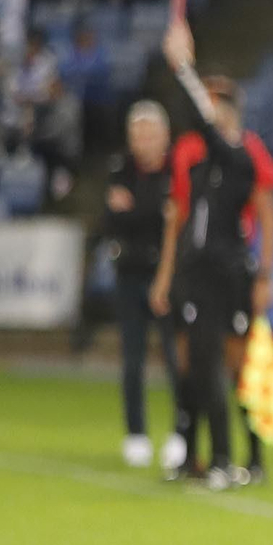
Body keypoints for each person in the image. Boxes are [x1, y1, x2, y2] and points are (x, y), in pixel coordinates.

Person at [152, 20, 273, 490]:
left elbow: (204, 126)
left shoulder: (241, 159)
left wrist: (183, 67)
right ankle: (201, 456)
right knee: (196, 364)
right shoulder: (200, 163)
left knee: (227, 364)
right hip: (197, 272)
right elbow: (181, 218)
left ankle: (235, 457)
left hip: (226, 273)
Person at [106, 99, 179, 469]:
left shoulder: (177, 171)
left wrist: (135, 211)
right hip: (129, 274)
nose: (143, 141)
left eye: (150, 134)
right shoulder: (120, 169)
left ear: (165, 137)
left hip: (166, 275)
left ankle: (181, 431)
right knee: (132, 359)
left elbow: (169, 220)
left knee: (175, 357)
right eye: (137, 134)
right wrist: (146, 213)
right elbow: (111, 219)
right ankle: (135, 433)